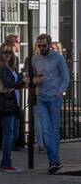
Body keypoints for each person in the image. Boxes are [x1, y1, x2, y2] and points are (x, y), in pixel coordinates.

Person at [29, 33, 71, 173]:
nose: (41, 48)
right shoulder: (35, 59)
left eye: (44, 45)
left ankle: (54, 160)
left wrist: (59, 92)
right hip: (41, 97)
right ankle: (54, 160)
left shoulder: (58, 58)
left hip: (54, 98)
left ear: (49, 44)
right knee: (45, 130)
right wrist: (36, 80)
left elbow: (66, 78)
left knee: (54, 130)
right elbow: (31, 78)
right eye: (39, 45)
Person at [0, 41, 22, 172]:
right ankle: (6, 163)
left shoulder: (13, 68)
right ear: (1, 53)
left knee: (15, 134)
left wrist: (20, 82)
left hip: (15, 103)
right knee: (9, 134)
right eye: (4, 52)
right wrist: (22, 83)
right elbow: (8, 83)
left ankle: (6, 161)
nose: (7, 55)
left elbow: (14, 83)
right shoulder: (0, 68)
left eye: (9, 52)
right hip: (6, 104)